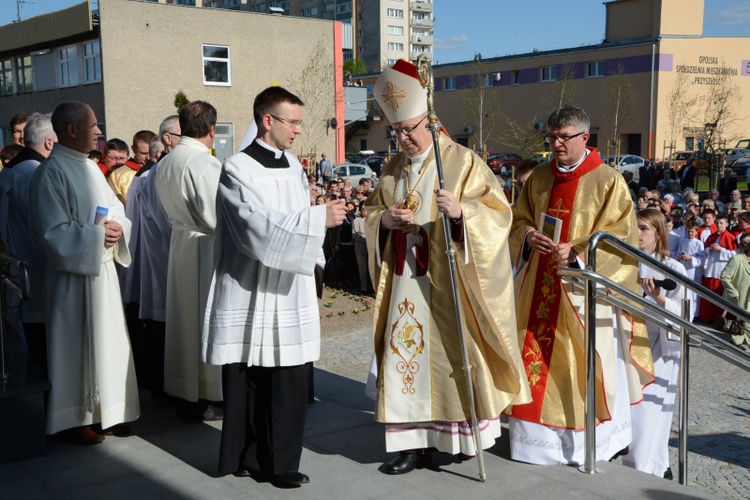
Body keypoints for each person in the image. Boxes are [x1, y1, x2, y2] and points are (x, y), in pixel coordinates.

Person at [364, 60, 530, 474]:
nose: (403, 138)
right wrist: (384, 222)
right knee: (406, 356)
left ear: (431, 120)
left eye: (410, 128)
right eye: (396, 131)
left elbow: (498, 214)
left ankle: (455, 438)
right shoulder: (392, 170)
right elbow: (370, 214)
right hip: (406, 280)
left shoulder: (463, 162)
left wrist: (461, 214)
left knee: (450, 358)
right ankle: (410, 446)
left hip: (448, 281)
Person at [202, 86, 346, 487]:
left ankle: (280, 463)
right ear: (269, 121)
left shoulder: (295, 167)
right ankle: (247, 455)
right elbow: (253, 229)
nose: (299, 129)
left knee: (287, 377)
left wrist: (315, 245)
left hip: (289, 288)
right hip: (251, 287)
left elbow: (296, 216)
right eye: (293, 121)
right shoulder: (237, 169)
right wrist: (318, 220)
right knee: (250, 375)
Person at [508, 105, 653, 466]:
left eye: (563, 137)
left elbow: (621, 237)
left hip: (584, 292)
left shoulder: (608, 180)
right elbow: (518, 217)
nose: (555, 143)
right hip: (539, 283)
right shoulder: (540, 176)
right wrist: (527, 235)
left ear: (584, 138)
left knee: (582, 363)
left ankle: (585, 446)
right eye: (552, 136)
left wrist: (577, 254)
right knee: (533, 357)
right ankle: (532, 445)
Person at [29, 101, 139, 444]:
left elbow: (115, 208)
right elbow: (51, 232)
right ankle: (76, 418)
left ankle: (111, 410)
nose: (99, 132)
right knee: (76, 348)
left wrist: (118, 227)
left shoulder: (91, 168)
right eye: (93, 126)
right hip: (72, 278)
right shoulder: (50, 173)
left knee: (108, 344)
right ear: (71, 129)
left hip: (101, 272)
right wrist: (96, 235)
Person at [154, 101, 223, 421]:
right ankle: (207, 394)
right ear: (211, 130)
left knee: (184, 324)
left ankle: (185, 394)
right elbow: (218, 216)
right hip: (205, 248)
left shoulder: (167, 161)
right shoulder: (203, 164)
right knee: (204, 323)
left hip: (181, 244)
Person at [622, 209, 688, 479]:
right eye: (634, 227)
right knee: (627, 414)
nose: (637, 233)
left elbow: (686, 315)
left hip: (658, 349)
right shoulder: (625, 262)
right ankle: (653, 465)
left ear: (659, 233)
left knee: (649, 416)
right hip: (626, 345)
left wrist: (660, 299)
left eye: (644, 228)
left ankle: (647, 469)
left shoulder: (674, 269)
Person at [0, 112, 56, 375]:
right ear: (48, 142)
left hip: (20, 262)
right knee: (44, 349)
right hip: (38, 266)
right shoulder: (34, 173)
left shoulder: (12, 170)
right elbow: (48, 225)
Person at [700, 215, 737, 322]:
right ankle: (707, 317)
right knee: (709, 294)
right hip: (711, 268)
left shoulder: (730, 237)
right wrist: (709, 249)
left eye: (721, 223)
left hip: (721, 269)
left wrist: (721, 249)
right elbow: (704, 250)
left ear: (727, 224)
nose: (719, 225)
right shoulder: (712, 236)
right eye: (717, 223)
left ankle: (720, 320)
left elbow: (734, 254)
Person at [108, 130, 156, 205]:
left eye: (152, 152)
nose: (148, 158)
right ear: (134, 149)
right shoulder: (118, 175)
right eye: (144, 153)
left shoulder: (162, 170)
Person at [720, 233, 750, 350]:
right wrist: (732, 292)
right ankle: (736, 341)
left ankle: (736, 341)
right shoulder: (737, 259)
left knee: (745, 321)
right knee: (745, 321)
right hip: (739, 296)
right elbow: (725, 276)